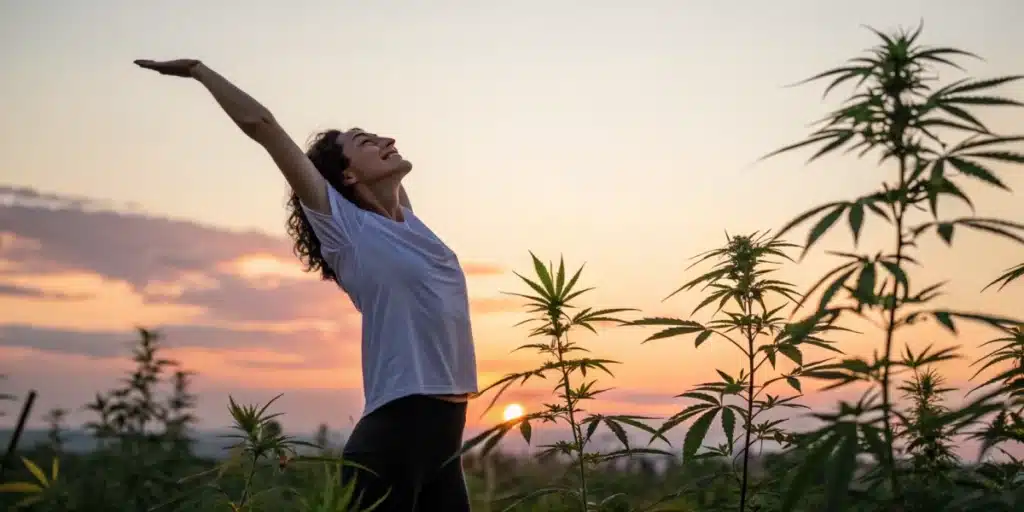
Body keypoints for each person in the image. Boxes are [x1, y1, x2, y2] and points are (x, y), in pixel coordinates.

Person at [134, 58, 478, 511]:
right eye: (367, 142)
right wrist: (199, 70)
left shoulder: (410, 224)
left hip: (445, 436)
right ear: (347, 176)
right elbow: (262, 125)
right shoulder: (344, 228)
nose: (387, 141)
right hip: (394, 436)